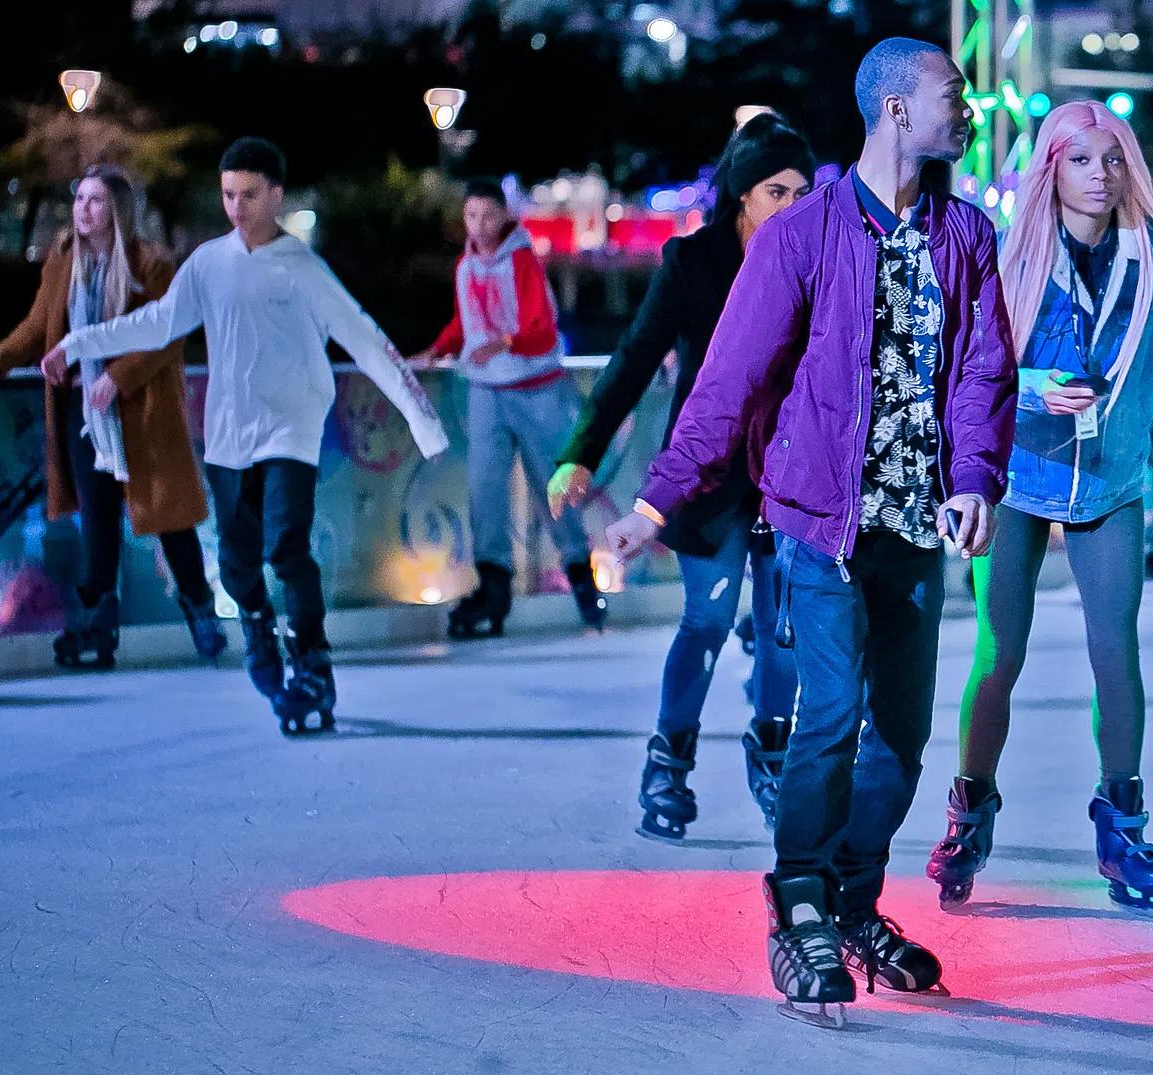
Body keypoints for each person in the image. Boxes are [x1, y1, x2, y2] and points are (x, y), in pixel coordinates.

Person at [599, 40, 1014, 1025]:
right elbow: (726, 380)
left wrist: (972, 480)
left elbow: (982, 370)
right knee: (827, 715)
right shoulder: (804, 234)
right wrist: (654, 505)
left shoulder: (965, 234)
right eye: (951, 96)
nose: (967, 109)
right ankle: (797, 911)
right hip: (817, 524)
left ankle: (851, 902)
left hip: (916, 526)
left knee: (904, 738)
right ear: (894, 111)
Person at [927, 102, 1153, 914]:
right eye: (1082, 160)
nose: (1100, 175)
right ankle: (968, 811)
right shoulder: (1006, 253)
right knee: (1000, 651)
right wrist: (1032, 390)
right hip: (1014, 476)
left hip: (1111, 482)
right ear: (1051, 167)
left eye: (1114, 159)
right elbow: (960, 370)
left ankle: (1121, 823)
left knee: (1114, 648)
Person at [41, 138, 449, 733]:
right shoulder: (208, 263)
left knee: (286, 546)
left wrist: (424, 423)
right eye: (229, 194)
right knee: (234, 565)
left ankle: (311, 659)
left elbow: (365, 339)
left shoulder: (303, 269)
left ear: (276, 195)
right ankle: (258, 632)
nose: (237, 206)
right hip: (230, 436)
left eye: (250, 194)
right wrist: (78, 345)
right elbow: (157, 322)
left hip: (291, 431)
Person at [549, 114, 815, 839]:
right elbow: (635, 358)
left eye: (803, 190)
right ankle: (667, 764)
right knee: (708, 615)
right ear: (742, 196)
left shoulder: (820, 258)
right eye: (775, 191)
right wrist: (583, 449)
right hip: (707, 472)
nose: (792, 206)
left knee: (781, 628)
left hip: (789, 474)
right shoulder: (693, 263)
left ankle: (774, 757)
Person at [0, 165, 225, 668]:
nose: (83, 209)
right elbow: (38, 325)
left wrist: (117, 377)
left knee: (169, 517)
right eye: (80, 200)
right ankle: (97, 628)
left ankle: (201, 612)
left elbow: (168, 336)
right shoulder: (63, 261)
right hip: (81, 410)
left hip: (141, 410)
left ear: (116, 210)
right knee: (96, 520)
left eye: (95, 201)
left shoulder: (151, 264)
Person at [410, 178, 604, 636]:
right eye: (470, 217)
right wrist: (437, 350)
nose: (477, 226)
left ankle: (581, 578)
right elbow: (466, 321)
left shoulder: (521, 261)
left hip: (537, 388)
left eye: (486, 216)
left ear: (502, 217)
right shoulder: (465, 265)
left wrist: (501, 344)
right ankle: (493, 587)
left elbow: (542, 328)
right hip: (486, 392)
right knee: (485, 488)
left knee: (551, 485)